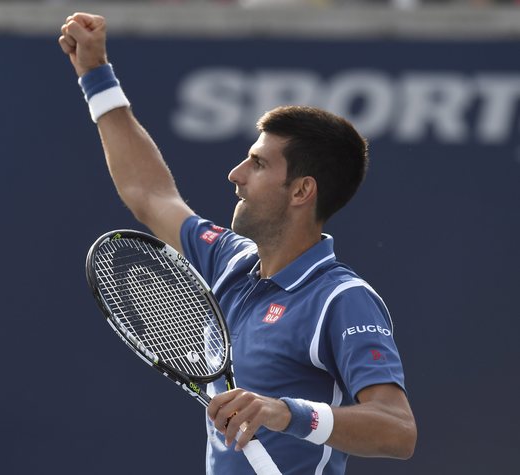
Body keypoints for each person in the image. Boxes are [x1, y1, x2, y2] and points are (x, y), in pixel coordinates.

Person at [59, 12, 417, 474]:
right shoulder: (228, 261)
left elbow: (398, 430)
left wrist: (286, 412)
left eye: (258, 164)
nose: (235, 175)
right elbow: (149, 195)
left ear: (301, 191)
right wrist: (95, 75)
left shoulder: (341, 299)